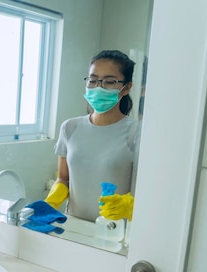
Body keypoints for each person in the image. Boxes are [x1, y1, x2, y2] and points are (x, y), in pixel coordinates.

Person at [45, 50, 140, 222]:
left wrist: (130, 206)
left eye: (109, 82)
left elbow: (145, 191)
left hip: (114, 231)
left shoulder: (136, 133)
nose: (99, 87)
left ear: (126, 88)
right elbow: (63, 178)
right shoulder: (70, 127)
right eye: (93, 80)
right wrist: (52, 200)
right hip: (73, 226)